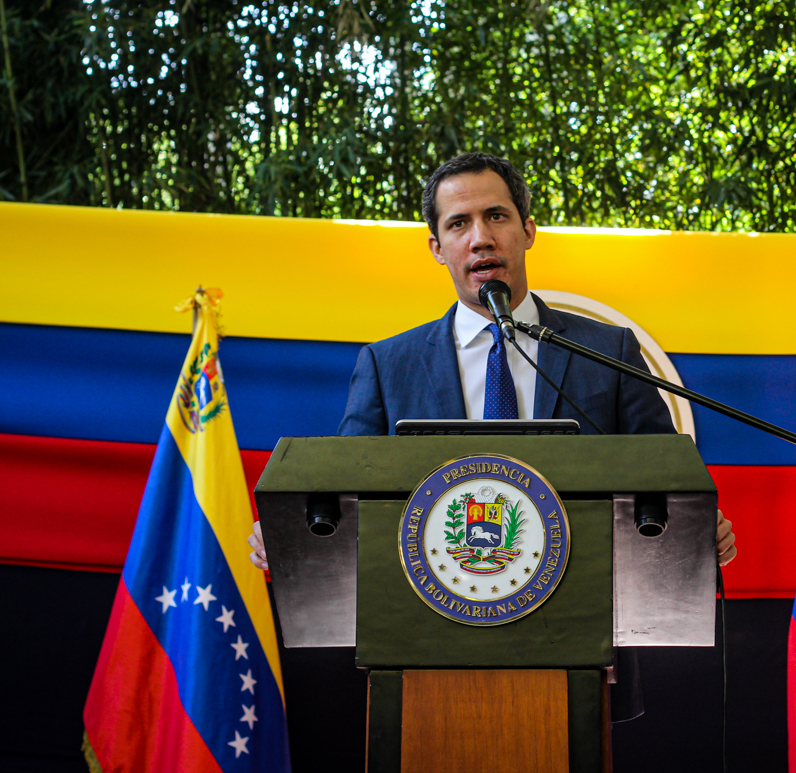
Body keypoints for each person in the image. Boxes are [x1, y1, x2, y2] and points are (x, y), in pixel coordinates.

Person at [246, 153, 736, 720]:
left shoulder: (608, 352)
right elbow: (345, 497)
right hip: (429, 653)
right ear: (437, 247)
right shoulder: (389, 365)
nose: (480, 238)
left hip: (575, 650)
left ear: (527, 230)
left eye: (496, 216)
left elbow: (663, 479)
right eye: (458, 224)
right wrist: (292, 535)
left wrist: (697, 526)